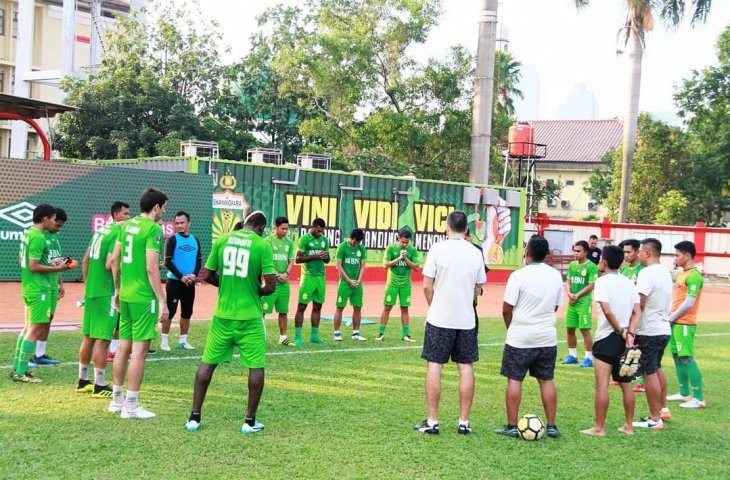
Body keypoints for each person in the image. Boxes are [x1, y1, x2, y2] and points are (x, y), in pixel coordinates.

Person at [185, 211, 276, 433]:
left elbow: (205, 274)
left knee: (207, 363)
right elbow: (271, 286)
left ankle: (194, 418)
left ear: (245, 223)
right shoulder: (262, 245)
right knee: (256, 366)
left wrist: (224, 283)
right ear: (261, 227)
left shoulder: (223, 239)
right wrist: (257, 292)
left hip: (222, 315)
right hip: (250, 316)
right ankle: (249, 422)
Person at [415, 212, 486, 435]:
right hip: (465, 319)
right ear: (466, 230)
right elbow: (478, 288)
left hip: (439, 318)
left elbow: (427, 285)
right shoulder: (475, 253)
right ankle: (463, 422)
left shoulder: (437, 249)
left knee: (435, 364)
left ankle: (433, 421)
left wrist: (433, 305)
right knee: (465, 366)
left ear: (447, 228)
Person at [108, 188, 169, 419]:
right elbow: (152, 267)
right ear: (156, 207)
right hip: (144, 297)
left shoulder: (126, 226)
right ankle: (131, 406)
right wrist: (162, 300)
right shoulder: (153, 229)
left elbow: (114, 260)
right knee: (139, 352)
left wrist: (116, 289)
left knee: (123, 347)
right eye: (164, 207)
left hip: (126, 295)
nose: (164, 211)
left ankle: (117, 401)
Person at [496, 235, 563, 439]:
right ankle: (551, 425)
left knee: (515, 379)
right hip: (546, 337)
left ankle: (511, 425)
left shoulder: (518, 275)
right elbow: (555, 306)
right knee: (546, 380)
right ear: (547, 254)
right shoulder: (555, 276)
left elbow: (507, 309)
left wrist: (512, 328)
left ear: (527, 252)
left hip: (521, 337)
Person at [581, 245, 642, 436]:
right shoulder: (629, 283)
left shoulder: (602, 282)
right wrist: (630, 334)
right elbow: (637, 311)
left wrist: (621, 331)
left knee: (602, 385)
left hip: (607, 338)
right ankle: (629, 426)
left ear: (605, 262)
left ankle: (599, 427)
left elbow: (607, 311)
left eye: (600, 259)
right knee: (626, 385)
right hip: (625, 341)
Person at [11, 204, 71, 383]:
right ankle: (21, 372)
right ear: (45, 219)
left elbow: (27, 261)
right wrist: (59, 268)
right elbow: (33, 266)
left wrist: (54, 265)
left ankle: (17, 368)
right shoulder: (38, 237)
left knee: (28, 328)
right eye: (53, 219)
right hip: (39, 289)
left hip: (31, 287)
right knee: (34, 330)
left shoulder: (29, 234)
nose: (55, 222)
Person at [77, 201, 130, 397]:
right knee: (103, 340)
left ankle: (82, 381)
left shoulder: (100, 232)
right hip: (106, 292)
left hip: (92, 291)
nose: (128, 217)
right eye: (125, 214)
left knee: (89, 337)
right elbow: (111, 263)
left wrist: (87, 285)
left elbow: (85, 259)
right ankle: (99, 385)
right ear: (115, 215)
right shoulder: (117, 233)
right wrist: (118, 289)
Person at [632, 238, 672, 430]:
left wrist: (631, 328)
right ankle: (662, 409)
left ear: (646, 253)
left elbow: (640, 302)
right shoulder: (665, 272)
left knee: (649, 372)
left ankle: (654, 418)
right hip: (663, 328)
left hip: (649, 330)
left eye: (639, 251)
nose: (638, 255)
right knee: (656, 368)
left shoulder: (646, 273)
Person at [666, 241, 706, 409]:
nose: (675, 258)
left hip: (684, 322)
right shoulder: (682, 274)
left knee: (686, 357)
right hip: (676, 321)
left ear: (688, 255)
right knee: (677, 357)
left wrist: (672, 317)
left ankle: (698, 398)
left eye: (677, 255)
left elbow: (690, 302)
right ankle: (684, 392)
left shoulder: (694, 275)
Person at [161, 211, 202, 351]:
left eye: (182, 222)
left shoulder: (195, 240)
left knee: (187, 312)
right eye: (177, 223)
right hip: (174, 282)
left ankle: (183, 341)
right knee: (170, 311)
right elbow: (167, 262)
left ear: (188, 223)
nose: (179, 225)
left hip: (190, 283)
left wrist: (194, 275)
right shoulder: (172, 240)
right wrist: (181, 276)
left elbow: (198, 261)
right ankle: (164, 341)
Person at [32, 207, 69, 366]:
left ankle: (40, 354)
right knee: (37, 321)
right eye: (57, 224)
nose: (58, 228)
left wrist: (60, 283)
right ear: (50, 220)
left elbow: (57, 261)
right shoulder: (39, 235)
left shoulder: (55, 236)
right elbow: (30, 263)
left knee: (48, 318)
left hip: (52, 284)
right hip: (40, 285)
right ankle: (30, 355)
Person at [377, 228, 419, 342]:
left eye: (407, 242)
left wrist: (405, 259)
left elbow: (416, 267)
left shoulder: (412, 250)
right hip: (392, 283)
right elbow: (385, 265)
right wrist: (400, 258)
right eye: (403, 241)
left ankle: (406, 335)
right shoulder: (391, 248)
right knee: (387, 307)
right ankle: (380, 333)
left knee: (405, 308)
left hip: (405, 284)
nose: (405, 244)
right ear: (398, 239)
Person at [294, 218, 330, 346]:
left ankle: (314, 335)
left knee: (317, 306)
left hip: (320, 277)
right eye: (319, 230)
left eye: (322, 231)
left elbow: (327, 260)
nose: (320, 233)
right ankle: (298, 337)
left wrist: (326, 257)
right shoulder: (305, 239)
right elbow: (298, 259)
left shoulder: (324, 240)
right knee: (302, 306)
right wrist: (315, 256)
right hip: (308, 276)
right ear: (314, 227)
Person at [561, 240, 598, 368]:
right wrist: (569, 293)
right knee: (570, 328)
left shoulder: (592, 266)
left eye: (578, 251)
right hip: (572, 302)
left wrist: (577, 295)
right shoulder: (572, 265)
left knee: (584, 329)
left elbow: (591, 285)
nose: (575, 253)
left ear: (586, 252)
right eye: (574, 250)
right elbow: (568, 281)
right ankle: (572, 356)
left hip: (583, 302)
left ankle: (589, 357)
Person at [261, 216, 296, 346]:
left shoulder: (289, 243)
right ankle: (260, 336)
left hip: (284, 283)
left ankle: (283, 337)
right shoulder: (267, 241)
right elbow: (267, 262)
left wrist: (286, 274)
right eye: (282, 228)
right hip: (270, 283)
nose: (285, 231)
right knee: (263, 311)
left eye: (287, 229)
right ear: (276, 227)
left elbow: (291, 262)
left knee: (283, 311)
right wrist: (276, 275)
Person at [618, 238, 646, 392]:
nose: (626, 255)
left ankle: (640, 380)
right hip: (624, 314)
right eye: (624, 252)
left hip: (636, 315)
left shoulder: (642, 270)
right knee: (623, 345)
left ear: (637, 252)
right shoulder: (625, 269)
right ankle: (622, 375)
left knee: (636, 347)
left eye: (628, 252)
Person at [333, 229, 367, 341]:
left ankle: (356, 333)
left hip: (357, 283)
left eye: (358, 242)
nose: (355, 244)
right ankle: (337, 333)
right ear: (351, 237)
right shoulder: (342, 247)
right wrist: (348, 280)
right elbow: (339, 266)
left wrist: (358, 280)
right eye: (354, 241)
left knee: (358, 307)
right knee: (340, 307)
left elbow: (362, 266)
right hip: (345, 282)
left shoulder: (361, 248)